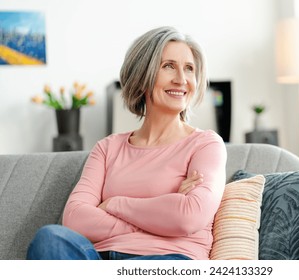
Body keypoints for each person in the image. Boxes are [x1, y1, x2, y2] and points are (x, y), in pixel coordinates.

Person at [26, 26, 227, 260]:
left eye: (189, 68)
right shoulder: (107, 148)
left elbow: (188, 216)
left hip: (168, 259)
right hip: (99, 259)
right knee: (50, 239)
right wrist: (161, 219)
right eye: (168, 66)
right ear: (142, 77)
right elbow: (74, 219)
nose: (182, 79)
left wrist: (114, 204)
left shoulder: (205, 145)